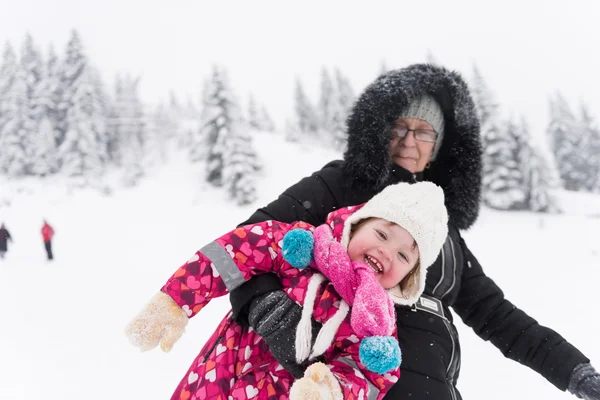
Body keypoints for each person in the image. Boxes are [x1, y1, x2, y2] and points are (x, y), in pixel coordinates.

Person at [229, 63, 600, 400]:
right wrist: (266, 306)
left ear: (439, 147)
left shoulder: (441, 228)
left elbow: (497, 315)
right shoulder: (340, 185)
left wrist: (575, 371)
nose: (409, 141)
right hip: (338, 382)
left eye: (423, 132)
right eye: (399, 127)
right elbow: (238, 245)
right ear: (379, 131)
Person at [125, 181, 449, 400]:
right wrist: (177, 297)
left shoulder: (377, 330)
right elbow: (234, 251)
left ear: (409, 277)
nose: (387, 252)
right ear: (356, 225)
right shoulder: (302, 248)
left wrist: (330, 389)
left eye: (405, 255)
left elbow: (369, 378)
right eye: (382, 233)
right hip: (218, 376)